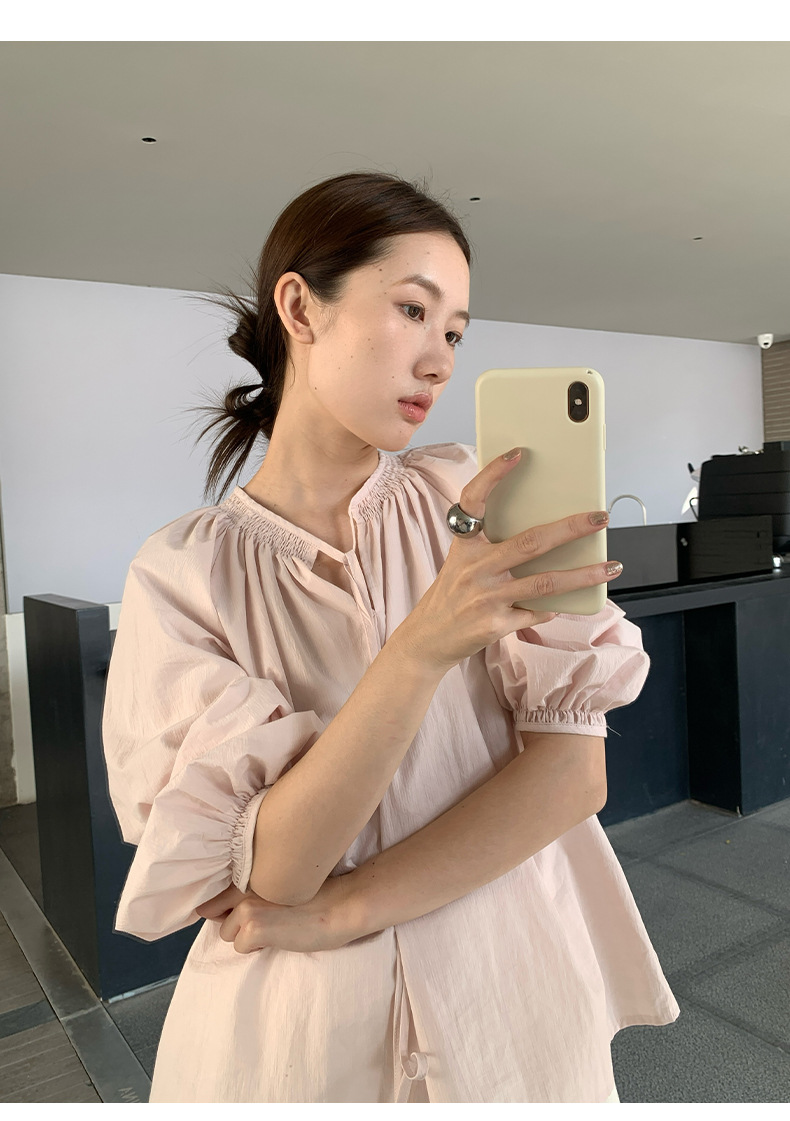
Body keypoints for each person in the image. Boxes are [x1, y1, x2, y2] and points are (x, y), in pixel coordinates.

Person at [101, 170, 679, 1104]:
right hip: (302, 1043)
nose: (440, 361)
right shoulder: (181, 574)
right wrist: (420, 649)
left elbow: (573, 774)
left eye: (454, 332)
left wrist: (350, 907)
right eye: (413, 310)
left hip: (510, 1006)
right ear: (301, 306)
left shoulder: (475, 500)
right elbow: (275, 872)